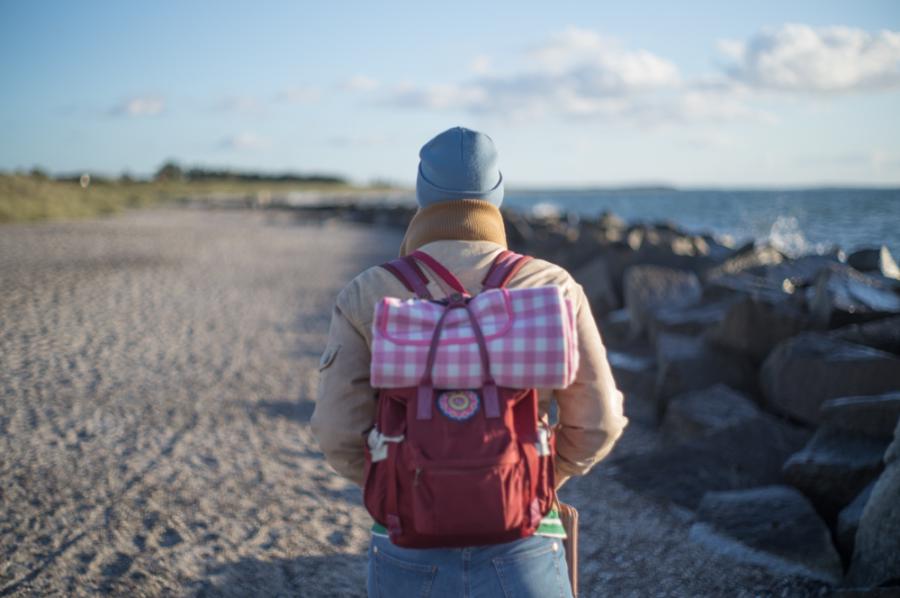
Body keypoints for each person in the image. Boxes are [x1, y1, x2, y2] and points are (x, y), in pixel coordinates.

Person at [311, 126, 627, 597]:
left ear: (422, 193)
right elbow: (598, 424)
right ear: (496, 191)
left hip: (407, 544)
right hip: (525, 541)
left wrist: (406, 483)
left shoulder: (368, 292)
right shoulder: (552, 284)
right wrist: (528, 477)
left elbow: (338, 432)